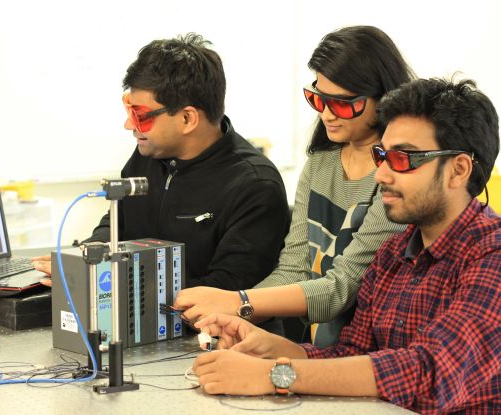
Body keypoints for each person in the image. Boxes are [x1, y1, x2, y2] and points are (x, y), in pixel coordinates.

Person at [192, 77, 501, 414]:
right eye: (382, 156)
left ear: (458, 170)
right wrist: (273, 349)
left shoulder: (492, 257)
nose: (381, 174)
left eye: (403, 159)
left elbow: (429, 373)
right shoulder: (395, 253)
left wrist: (274, 374)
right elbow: (353, 354)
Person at [175, 26, 414, 346]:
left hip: (375, 352)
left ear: (383, 98)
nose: (327, 114)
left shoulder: (394, 178)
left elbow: (341, 288)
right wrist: (231, 318)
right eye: (318, 98)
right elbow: (295, 268)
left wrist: (239, 302)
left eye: (342, 104)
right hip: (320, 347)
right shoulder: (320, 163)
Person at [33, 33, 290, 291]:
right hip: (136, 312)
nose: (129, 125)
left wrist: (116, 286)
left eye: (141, 116)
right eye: (129, 111)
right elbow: (117, 223)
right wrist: (85, 260)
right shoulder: (149, 155)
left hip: (208, 329)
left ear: (188, 119)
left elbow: (223, 291)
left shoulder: (254, 186)